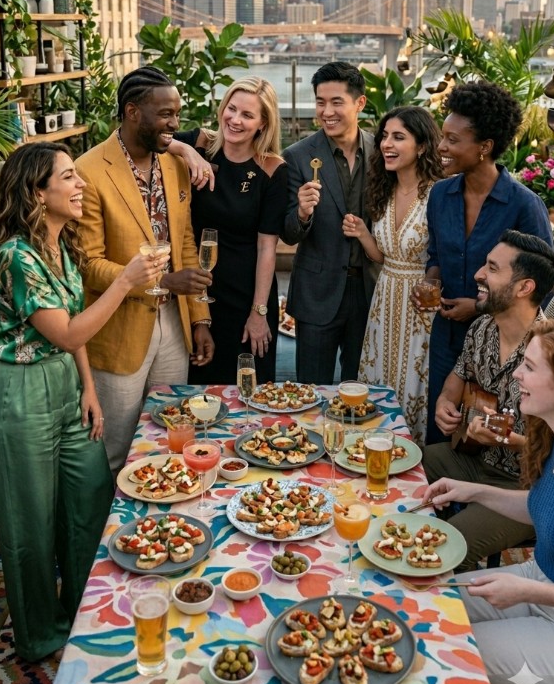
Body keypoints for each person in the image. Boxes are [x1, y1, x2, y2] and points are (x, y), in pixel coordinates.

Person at [0, 143, 165, 662]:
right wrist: (126, 281)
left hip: (69, 383)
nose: (80, 185)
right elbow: (67, 331)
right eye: (68, 177)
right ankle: (39, 635)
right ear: (36, 192)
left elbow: (75, 333)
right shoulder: (14, 256)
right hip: (22, 391)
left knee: (91, 495)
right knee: (30, 522)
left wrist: (89, 389)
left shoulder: (61, 245)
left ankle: (83, 608)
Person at [76, 66, 214, 475]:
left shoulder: (172, 164)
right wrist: (162, 279)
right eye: (166, 114)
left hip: (174, 324)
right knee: (116, 451)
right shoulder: (89, 170)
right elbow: (89, 264)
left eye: (177, 114)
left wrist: (200, 316)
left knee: (171, 438)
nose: (175, 124)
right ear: (133, 112)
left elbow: (185, 241)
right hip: (118, 330)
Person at [424, 318, 554, 684]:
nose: (517, 374)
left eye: (530, 367)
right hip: (540, 580)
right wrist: (474, 491)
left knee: (439, 655)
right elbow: (544, 510)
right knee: (426, 610)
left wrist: (526, 590)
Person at [422, 80, 553, 441]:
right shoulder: (440, 195)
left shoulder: (524, 205)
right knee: (443, 429)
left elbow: (544, 283)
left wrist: (478, 308)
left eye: (452, 140)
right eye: (442, 136)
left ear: (485, 147)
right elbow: (435, 254)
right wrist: (431, 281)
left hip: (505, 348)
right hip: (447, 336)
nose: (441, 147)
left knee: (491, 440)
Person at [423, 230, 554, 570]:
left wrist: (510, 441)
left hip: (526, 486)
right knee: (404, 468)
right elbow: (459, 373)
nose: (478, 275)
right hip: (472, 458)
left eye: (492, 268)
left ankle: (449, 612)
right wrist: (444, 402)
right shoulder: (482, 327)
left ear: (523, 287)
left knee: (447, 548)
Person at [169, 76, 288, 383]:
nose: (235, 120)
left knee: (250, 387)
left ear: (263, 123)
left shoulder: (272, 169)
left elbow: (266, 248)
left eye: (247, 115)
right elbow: (150, 137)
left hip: (247, 292)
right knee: (198, 384)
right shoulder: (199, 143)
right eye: (231, 109)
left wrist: (259, 312)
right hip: (196, 286)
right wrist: (187, 152)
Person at [344, 107, 443, 445]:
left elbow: (446, 251)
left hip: (421, 306)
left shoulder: (438, 195)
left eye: (398, 137)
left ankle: (410, 461)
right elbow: (383, 256)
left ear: (423, 146)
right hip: (384, 302)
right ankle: (372, 451)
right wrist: (362, 234)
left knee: (416, 384)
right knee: (380, 378)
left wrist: (432, 280)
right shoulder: (383, 190)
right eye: (385, 136)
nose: (386, 143)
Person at [282, 62, 376, 384]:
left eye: (337, 102)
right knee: (311, 388)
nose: (327, 111)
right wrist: (302, 215)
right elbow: (288, 233)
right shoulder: (297, 155)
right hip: (317, 292)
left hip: (368, 292)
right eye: (321, 102)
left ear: (359, 103)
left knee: (359, 390)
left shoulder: (382, 153)